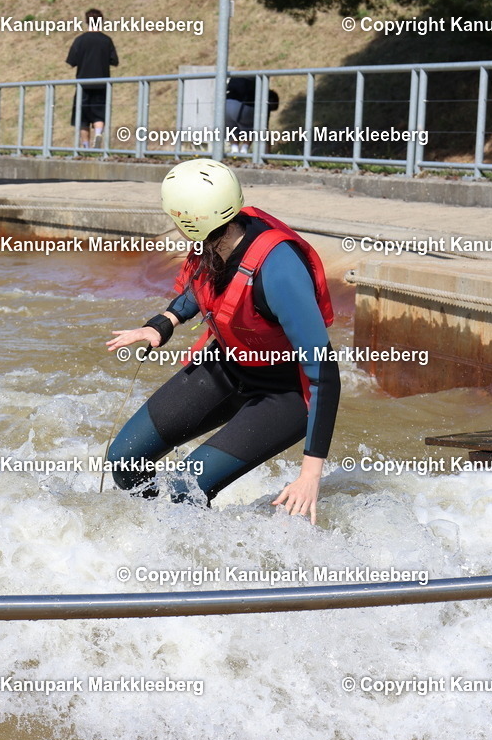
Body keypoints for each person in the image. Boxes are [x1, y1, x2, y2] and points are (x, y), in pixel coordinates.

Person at [105, 159, 340, 523]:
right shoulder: (216, 235)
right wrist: (162, 323)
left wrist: (310, 474)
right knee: (125, 460)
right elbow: (203, 287)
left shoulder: (279, 270)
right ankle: (152, 537)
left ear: (188, 221)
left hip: (284, 394)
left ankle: (201, 562)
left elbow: (324, 373)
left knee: (186, 488)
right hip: (228, 368)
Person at [66, 9, 119, 149]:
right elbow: (114, 61)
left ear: (86, 21)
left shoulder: (80, 40)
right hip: (102, 84)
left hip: (83, 84)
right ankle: (98, 134)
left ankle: (86, 146)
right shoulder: (106, 41)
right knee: (99, 115)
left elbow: (71, 61)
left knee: (82, 119)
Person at [225, 76, 279, 154]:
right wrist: (267, 153)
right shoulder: (264, 98)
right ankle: (244, 149)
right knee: (251, 129)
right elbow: (265, 129)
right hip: (244, 106)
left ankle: (234, 150)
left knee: (232, 131)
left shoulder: (241, 86)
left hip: (227, 103)